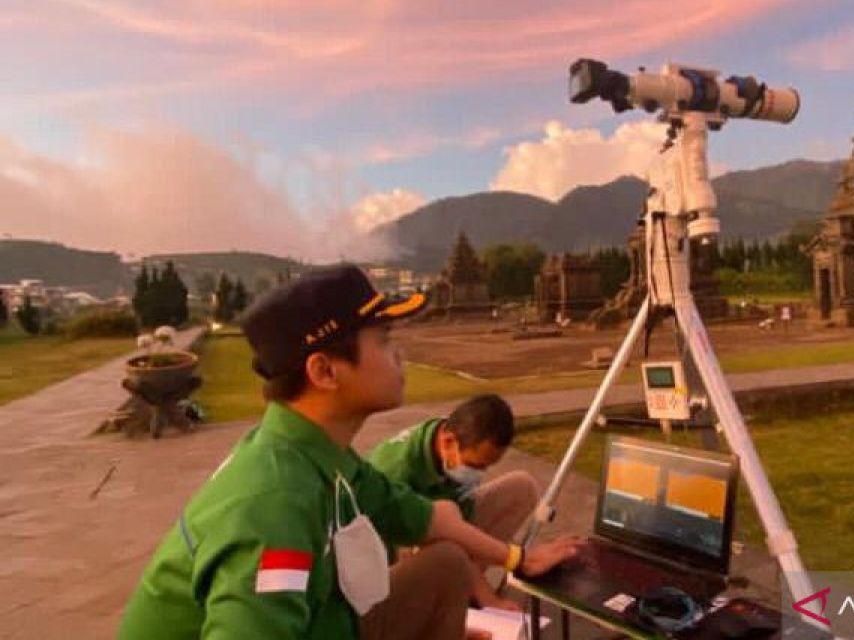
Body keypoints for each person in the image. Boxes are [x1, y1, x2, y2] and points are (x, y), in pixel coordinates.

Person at [117, 264, 580, 640]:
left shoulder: (325, 457)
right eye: (382, 341)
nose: (398, 357)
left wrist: (519, 560)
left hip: (324, 623)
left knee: (445, 565)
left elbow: (429, 518)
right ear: (324, 371)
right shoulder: (273, 503)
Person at [368, 395, 538, 610]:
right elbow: (445, 535)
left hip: (440, 532)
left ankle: (466, 592)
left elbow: (460, 532)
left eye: (486, 466)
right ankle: (450, 596)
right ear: (448, 442)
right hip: (386, 554)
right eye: (475, 465)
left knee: (521, 488)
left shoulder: (457, 441)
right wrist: (490, 596)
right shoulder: (396, 470)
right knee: (444, 543)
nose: (479, 473)